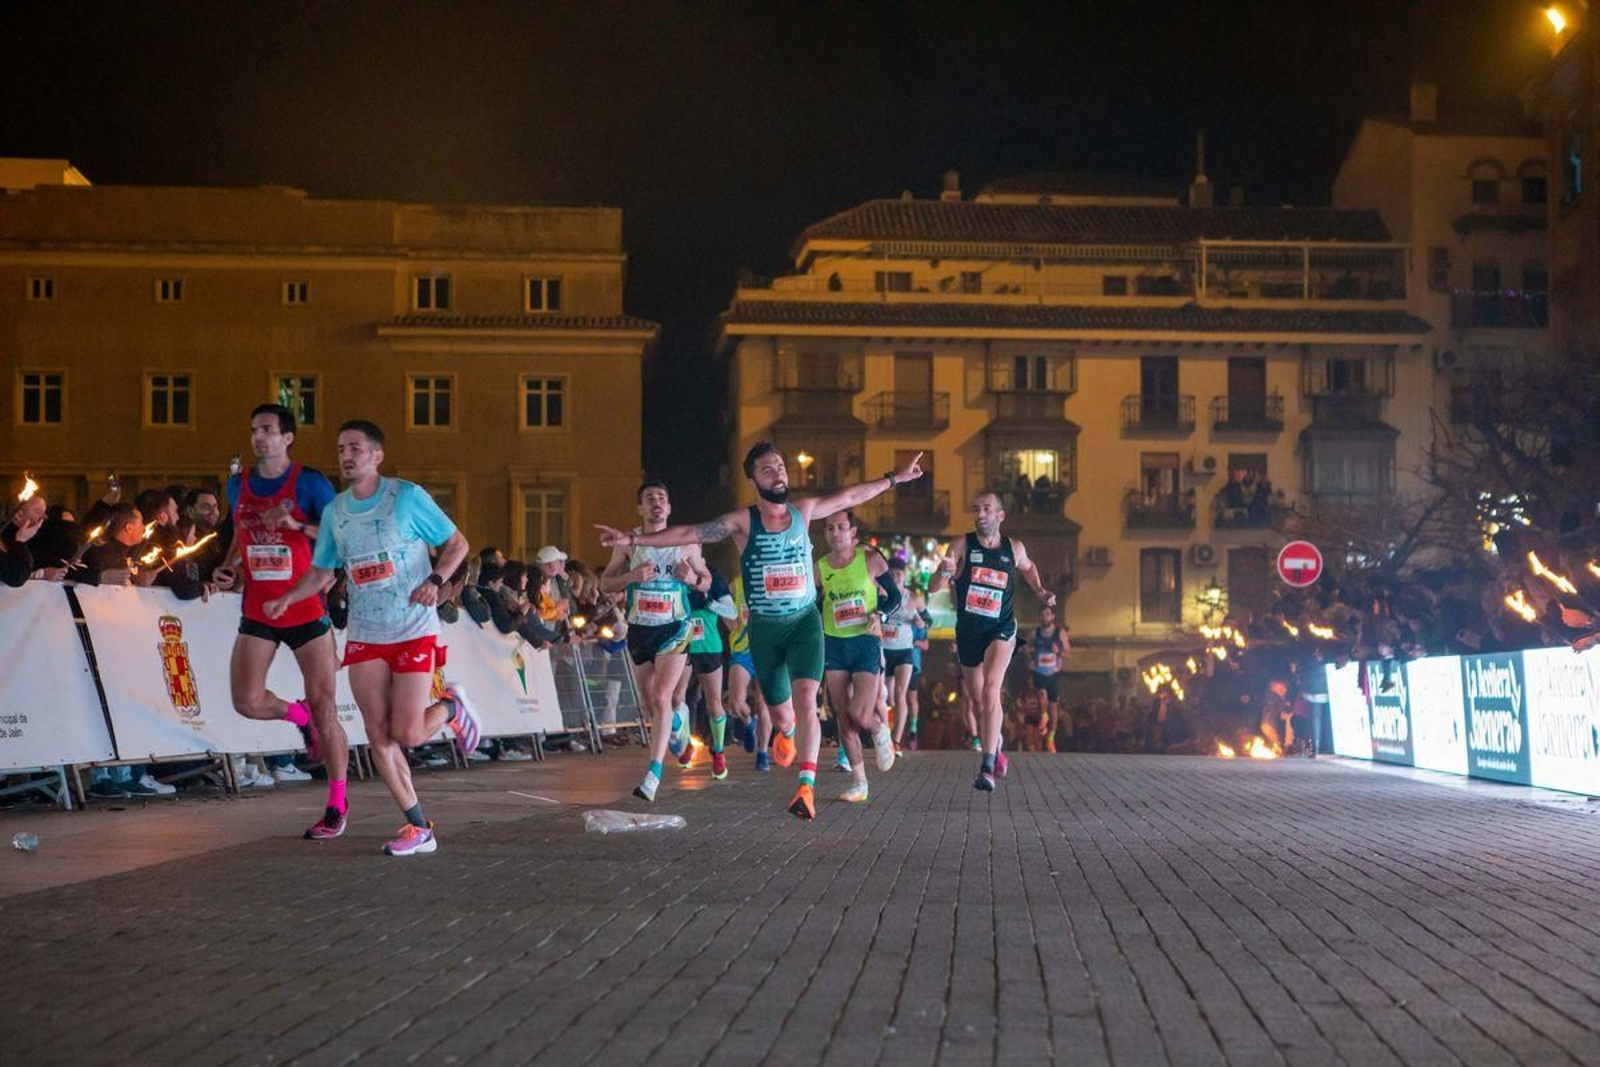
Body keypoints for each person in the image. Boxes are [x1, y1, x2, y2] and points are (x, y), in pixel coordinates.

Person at [598, 442, 925, 820]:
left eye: (781, 466)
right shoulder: (742, 522)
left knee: (807, 698)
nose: (778, 473)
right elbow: (690, 532)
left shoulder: (803, 511)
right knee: (783, 716)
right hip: (765, 630)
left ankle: (806, 787)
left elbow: (851, 496)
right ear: (753, 480)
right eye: (767, 469)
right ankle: (786, 732)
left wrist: (895, 479)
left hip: (804, 624)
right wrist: (632, 540)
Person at [264, 419, 478, 857]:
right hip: (366, 633)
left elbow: (457, 544)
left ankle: (452, 707)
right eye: (341, 449)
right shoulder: (335, 512)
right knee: (377, 734)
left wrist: (435, 580)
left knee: (408, 733)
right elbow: (322, 571)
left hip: (413, 628)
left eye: (356, 448)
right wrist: (288, 597)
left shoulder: (406, 497)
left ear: (377, 456)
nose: (346, 456)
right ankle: (418, 827)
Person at [208, 405, 350, 838]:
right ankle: (299, 717)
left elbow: (341, 535)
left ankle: (337, 804)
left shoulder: (310, 483)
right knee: (247, 701)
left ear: (288, 438)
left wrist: (295, 524)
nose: (259, 437)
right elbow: (241, 532)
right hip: (259, 608)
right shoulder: (238, 484)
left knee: (327, 708)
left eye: (268, 430)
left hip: (305, 608)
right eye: (254, 430)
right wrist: (230, 566)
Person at [930, 491, 1056, 791]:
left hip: (1001, 628)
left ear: (1001, 515)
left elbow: (1028, 567)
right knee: (978, 702)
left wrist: (1040, 591)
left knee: (990, 690)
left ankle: (986, 767)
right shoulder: (961, 545)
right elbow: (934, 588)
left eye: (987, 509)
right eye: (977, 509)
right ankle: (995, 748)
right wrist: (944, 572)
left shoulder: (1014, 548)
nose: (981, 514)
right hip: (969, 633)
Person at [599, 481, 710, 802]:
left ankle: (653, 775)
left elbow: (707, 581)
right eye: (650, 499)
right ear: (640, 508)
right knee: (651, 703)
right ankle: (677, 724)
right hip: (640, 629)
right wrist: (631, 577)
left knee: (662, 697)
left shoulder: (686, 542)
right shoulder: (629, 543)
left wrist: (691, 578)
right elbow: (605, 583)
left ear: (669, 508)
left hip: (675, 628)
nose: (656, 502)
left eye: (662, 498)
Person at [816, 510, 898, 802]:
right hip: (834, 645)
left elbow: (895, 597)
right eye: (830, 528)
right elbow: (814, 604)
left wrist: (881, 615)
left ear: (852, 532)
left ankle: (878, 728)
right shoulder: (820, 567)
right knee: (844, 718)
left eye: (841, 527)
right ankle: (860, 783)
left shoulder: (871, 560)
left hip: (865, 643)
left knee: (860, 714)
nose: (835, 533)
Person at [685, 566, 738, 779]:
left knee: (713, 702)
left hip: (709, 646)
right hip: (682, 646)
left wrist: (710, 603)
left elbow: (732, 612)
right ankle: (685, 742)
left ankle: (718, 751)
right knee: (675, 699)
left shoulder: (713, 575)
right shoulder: (672, 571)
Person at [725, 573, 772, 769]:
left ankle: (763, 753)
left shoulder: (771, 578)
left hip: (766, 650)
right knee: (736, 703)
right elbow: (722, 605)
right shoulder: (736, 584)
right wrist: (730, 622)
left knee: (763, 703)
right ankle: (749, 723)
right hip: (742, 651)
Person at [880, 560, 919, 755]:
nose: (895, 578)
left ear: (905, 576)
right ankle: (885, 735)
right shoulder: (881, 593)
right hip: (883, 650)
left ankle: (896, 740)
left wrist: (920, 620)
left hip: (904, 650)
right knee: (885, 696)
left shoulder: (912, 597)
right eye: (892, 574)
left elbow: (926, 620)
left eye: (899, 574)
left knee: (900, 693)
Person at [1028, 605, 1068, 753]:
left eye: (1047, 614)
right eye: (1042, 615)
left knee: (1053, 708)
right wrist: (1030, 660)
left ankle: (1051, 738)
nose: (1045, 617)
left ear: (1052, 616)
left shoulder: (1060, 633)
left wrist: (1059, 652)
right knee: (1042, 696)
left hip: (1054, 673)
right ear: (1039, 617)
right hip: (1039, 671)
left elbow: (1068, 652)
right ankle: (1043, 716)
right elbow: (1027, 649)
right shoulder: (1034, 634)